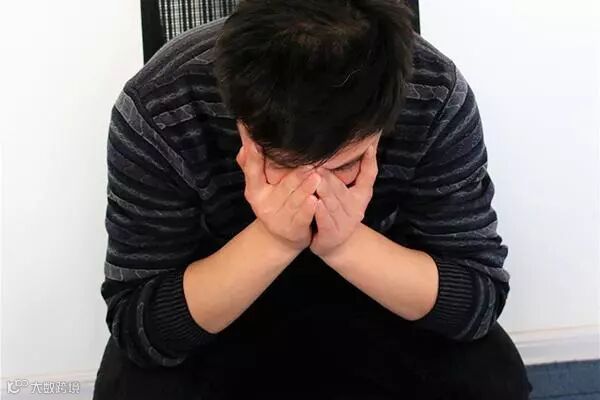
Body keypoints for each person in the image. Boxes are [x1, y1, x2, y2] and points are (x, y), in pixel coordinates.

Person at [92, 1, 533, 399]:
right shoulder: (159, 104)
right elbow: (140, 324)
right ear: (242, 124)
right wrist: (275, 239)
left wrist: (344, 244)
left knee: (491, 380)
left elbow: (476, 299)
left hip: (382, 286)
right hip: (222, 289)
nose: (312, 191)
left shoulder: (435, 92)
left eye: (344, 165)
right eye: (281, 165)